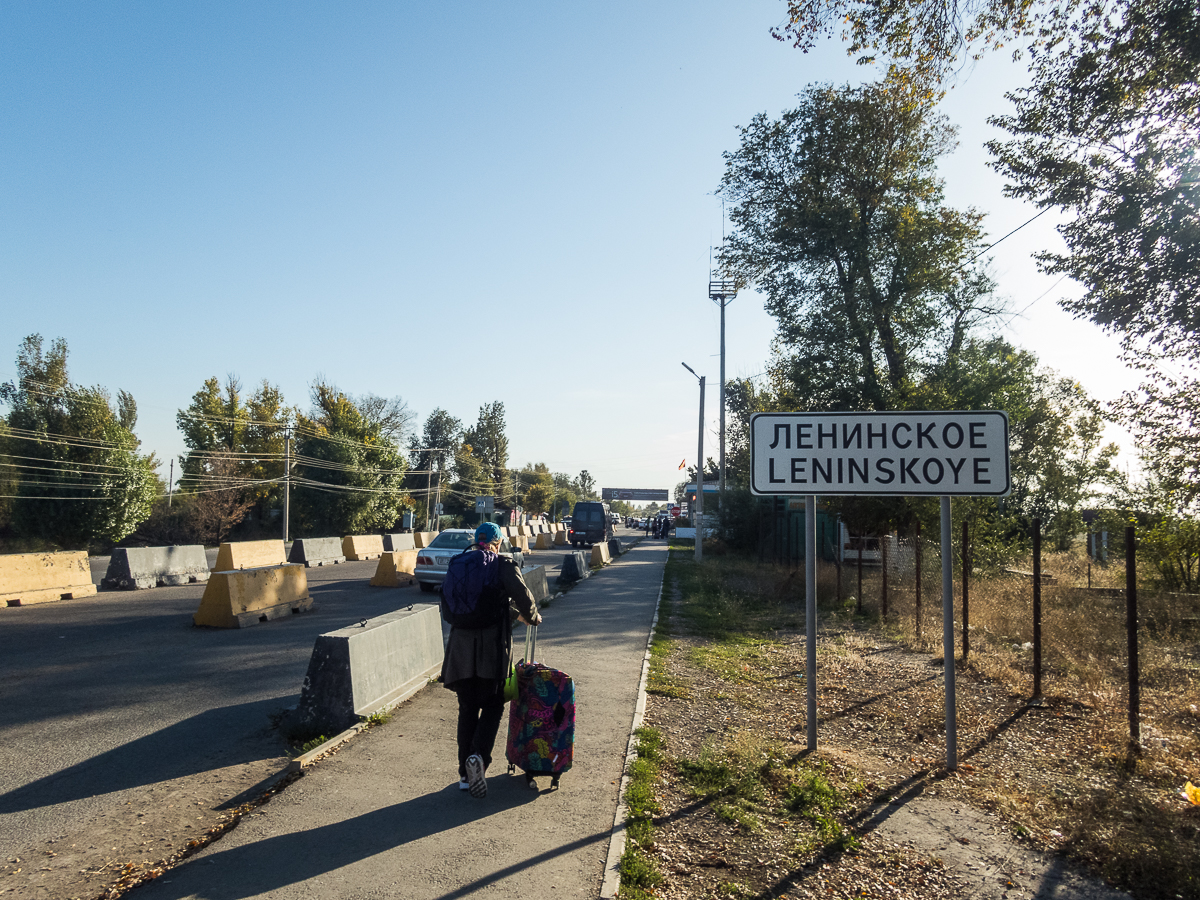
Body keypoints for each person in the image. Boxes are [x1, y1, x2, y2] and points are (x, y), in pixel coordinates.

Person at [440, 522, 542, 798]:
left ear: (476, 540)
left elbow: (459, 607)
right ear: (498, 542)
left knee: (468, 708)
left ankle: (464, 773)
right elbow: (522, 597)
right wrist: (532, 616)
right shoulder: (502, 565)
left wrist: (509, 612)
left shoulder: (458, 564)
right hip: (491, 652)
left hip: (460, 651)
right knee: (494, 705)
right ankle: (480, 759)